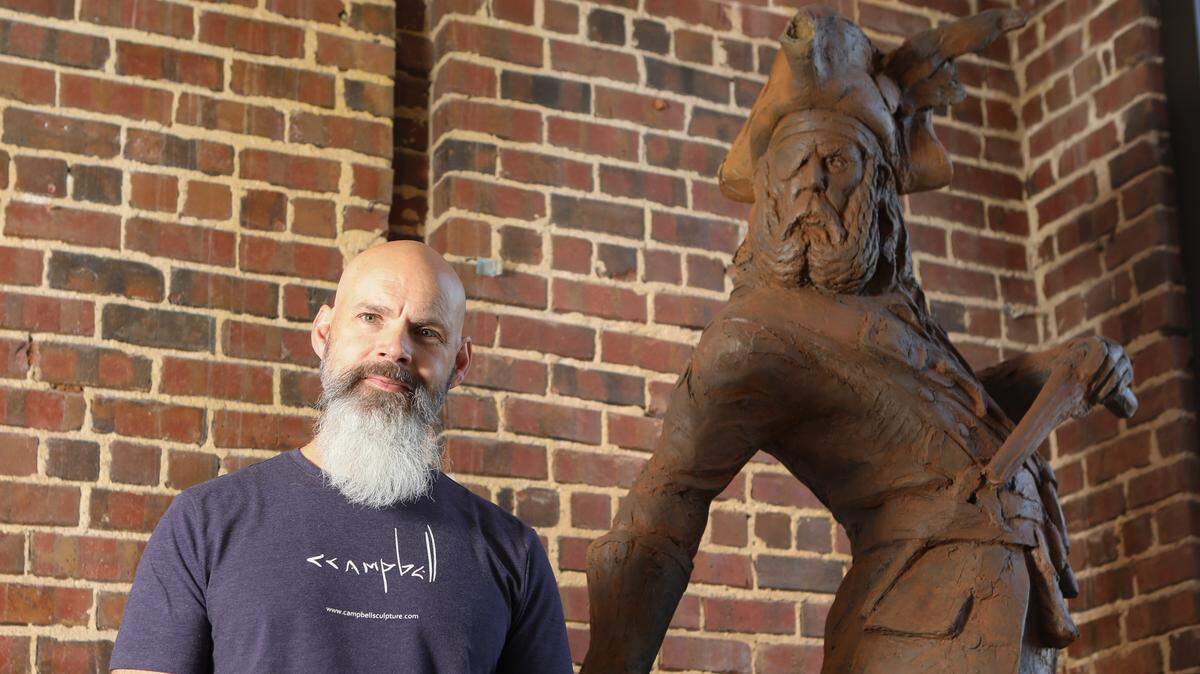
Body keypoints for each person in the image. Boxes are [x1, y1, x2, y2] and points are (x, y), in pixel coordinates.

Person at [110, 241, 573, 673]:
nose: (395, 347)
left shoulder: (513, 553)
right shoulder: (206, 521)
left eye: (426, 332)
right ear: (324, 332)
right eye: (372, 317)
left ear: (460, 364)